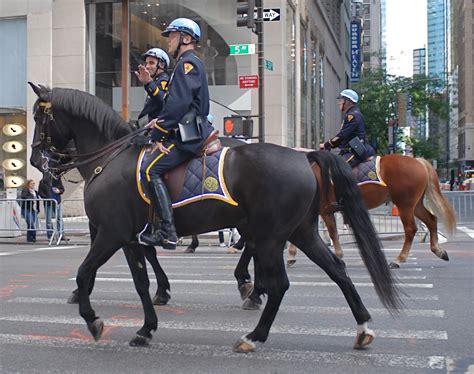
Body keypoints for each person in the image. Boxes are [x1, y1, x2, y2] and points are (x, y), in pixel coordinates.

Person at [139, 18, 214, 249]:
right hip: (185, 129)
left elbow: (178, 105)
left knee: (149, 169)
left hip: (189, 134)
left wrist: (158, 135)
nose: (168, 41)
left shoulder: (186, 64)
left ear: (186, 38)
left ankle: (167, 231)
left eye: (172, 36)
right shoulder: (185, 64)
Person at [320, 89, 375, 168]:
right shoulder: (351, 115)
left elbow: (342, 136)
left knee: (337, 169)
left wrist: (326, 144)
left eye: (340, 100)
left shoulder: (353, 116)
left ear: (347, 101)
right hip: (351, 150)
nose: (338, 102)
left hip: (356, 151)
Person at [135, 47, 170, 124]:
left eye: (151, 63)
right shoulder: (156, 81)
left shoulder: (164, 80)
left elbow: (162, 100)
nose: (147, 66)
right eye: (146, 63)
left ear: (162, 64)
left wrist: (148, 83)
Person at [38, 174, 67, 241]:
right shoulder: (42, 182)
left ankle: (61, 235)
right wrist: (47, 198)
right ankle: (50, 236)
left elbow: (62, 189)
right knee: (48, 220)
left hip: (57, 202)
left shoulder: (57, 180)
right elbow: (40, 193)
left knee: (59, 219)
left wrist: (59, 191)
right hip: (48, 203)